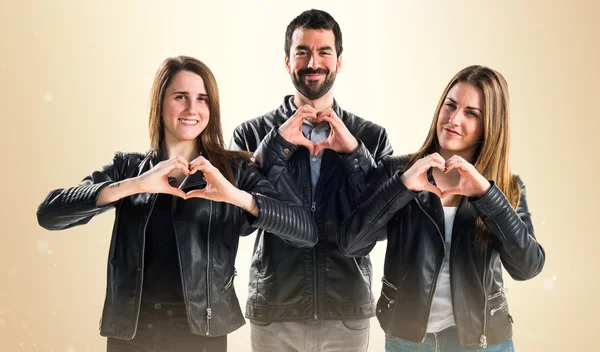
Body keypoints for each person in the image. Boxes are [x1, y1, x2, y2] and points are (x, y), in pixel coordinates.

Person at [36, 55, 318, 352]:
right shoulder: (128, 167)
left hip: (202, 333)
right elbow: (49, 213)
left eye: (202, 99)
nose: (191, 109)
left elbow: (305, 231)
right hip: (131, 332)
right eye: (180, 97)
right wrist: (135, 185)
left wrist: (235, 196)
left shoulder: (233, 171)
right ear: (160, 104)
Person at [338, 65, 546, 351]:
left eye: (471, 113)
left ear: (490, 126)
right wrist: (402, 186)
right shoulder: (396, 172)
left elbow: (527, 267)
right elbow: (351, 244)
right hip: (408, 340)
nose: (453, 119)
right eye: (450, 105)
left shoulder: (505, 188)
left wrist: (486, 195)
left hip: (483, 342)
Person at [230, 9, 393, 352]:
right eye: (302, 51)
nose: (313, 62)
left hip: (346, 313)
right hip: (275, 312)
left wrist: (353, 153)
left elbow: (379, 224)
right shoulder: (250, 134)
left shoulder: (371, 137)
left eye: (324, 52)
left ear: (339, 61)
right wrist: (277, 146)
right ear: (287, 61)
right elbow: (239, 221)